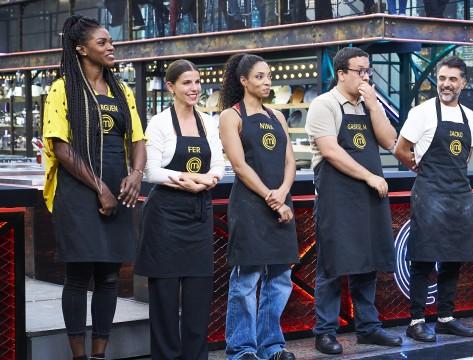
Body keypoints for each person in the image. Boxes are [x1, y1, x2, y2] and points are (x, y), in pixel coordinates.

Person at [42, 15, 146, 360]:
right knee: (78, 276)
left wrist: (136, 174)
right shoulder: (62, 89)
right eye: (102, 43)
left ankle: (100, 355)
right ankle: (79, 356)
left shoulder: (122, 90)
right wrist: (100, 187)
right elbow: (60, 147)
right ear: (81, 49)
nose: (111, 46)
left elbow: (138, 139)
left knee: (109, 278)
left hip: (118, 189)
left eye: (110, 41)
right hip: (78, 192)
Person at [305, 47, 401, 355]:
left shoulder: (368, 104)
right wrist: (369, 177)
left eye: (367, 71)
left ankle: (368, 328)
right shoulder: (324, 105)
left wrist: (375, 106)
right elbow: (331, 151)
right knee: (333, 265)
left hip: (368, 199)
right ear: (341, 73)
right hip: (338, 198)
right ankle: (325, 331)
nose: (365, 77)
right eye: (359, 71)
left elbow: (390, 141)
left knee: (368, 262)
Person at [135, 59, 225, 360]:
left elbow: (218, 164)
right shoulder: (159, 122)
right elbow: (151, 170)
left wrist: (209, 179)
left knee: (199, 298)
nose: (195, 88)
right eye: (187, 82)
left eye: (197, 81)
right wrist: (184, 179)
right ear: (171, 87)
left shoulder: (208, 121)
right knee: (164, 300)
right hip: (165, 217)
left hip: (198, 213)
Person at [219, 53, 299, 360]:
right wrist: (271, 196)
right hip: (251, 206)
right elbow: (239, 166)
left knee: (279, 280)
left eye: (268, 76)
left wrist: (283, 192)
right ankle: (241, 350)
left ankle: (272, 347)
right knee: (246, 280)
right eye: (260, 77)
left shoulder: (277, 116)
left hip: (281, 203)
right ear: (244, 81)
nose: (267, 82)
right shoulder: (231, 116)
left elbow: (290, 161)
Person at [394, 56, 473, 342]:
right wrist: (419, 168)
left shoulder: (470, 117)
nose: (446, 84)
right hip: (430, 193)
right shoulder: (423, 112)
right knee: (424, 258)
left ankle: (445, 317)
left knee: (454, 257)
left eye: (453, 79)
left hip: (459, 194)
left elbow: (466, 155)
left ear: (463, 83)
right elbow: (400, 148)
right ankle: (416, 320)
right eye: (442, 78)